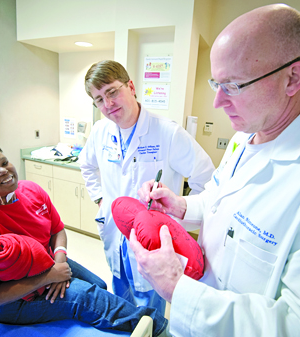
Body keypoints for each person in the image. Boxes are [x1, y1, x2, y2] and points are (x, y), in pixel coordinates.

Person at [130, 4, 300, 337]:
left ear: (292, 78)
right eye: (215, 83)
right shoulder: (244, 139)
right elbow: (219, 201)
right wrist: (181, 206)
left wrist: (176, 288)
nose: (218, 102)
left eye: (234, 85)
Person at [0, 138, 169, 337]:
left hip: (43, 264)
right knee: (86, 296)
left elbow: (57, 230)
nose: (3, 171)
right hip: (9, 300)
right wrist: (48, 278)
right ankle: (160, 329)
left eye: (4, 162)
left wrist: (58, 264)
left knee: (98, 284)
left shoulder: (30, 191)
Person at [79, 60, 215, 315]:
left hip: (153, 240)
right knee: (121, 304)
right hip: (115, 236)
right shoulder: (100, 131)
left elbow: (206, 180)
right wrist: (99, 198)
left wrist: (177, 222)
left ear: (131, 86)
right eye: (98, 99)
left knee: (149, 311)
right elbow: (86, 165)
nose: (107, 105)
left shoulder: (168, 133)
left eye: (112, 92)